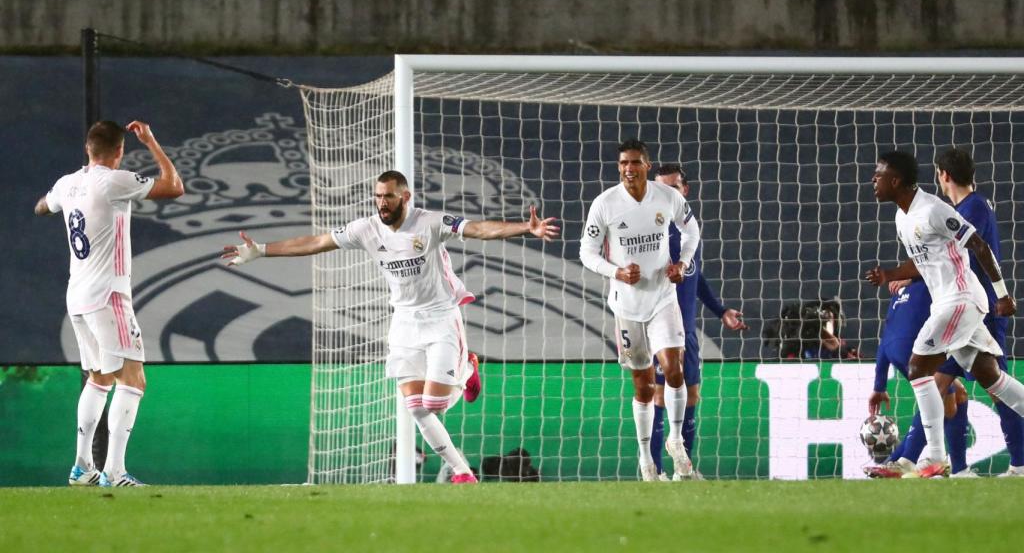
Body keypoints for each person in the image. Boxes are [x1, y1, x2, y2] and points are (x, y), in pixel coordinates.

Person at [221, 170, 558, 484]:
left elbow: (479, 230)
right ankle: (461, 472)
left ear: (405, 197)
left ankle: (468, 368)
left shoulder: (430, 223)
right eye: (378, 196)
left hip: (441, 318)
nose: (382, 202)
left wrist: (525, 228)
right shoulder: (366, 229)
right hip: (404, 323)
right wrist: (261, 250)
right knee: (416, 409)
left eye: (389, 197)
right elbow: (316, 242)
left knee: (434, 405)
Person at [35, 120, 185, 487]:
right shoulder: (113, 180)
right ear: (120, 151)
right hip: (108, 294)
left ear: (88, 148)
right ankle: (114, 471)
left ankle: (82, 467)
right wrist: (150, 140)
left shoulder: (68, 183)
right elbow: (174, 187)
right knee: (133, 380)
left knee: (99, 378)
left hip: (78, 295)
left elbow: (42, 207)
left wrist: (62, 202)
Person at [864, 150, 1024, 478]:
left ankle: (933, 457)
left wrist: (1003, 295)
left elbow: (979, 245)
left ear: (895, 181)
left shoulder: (934, 209)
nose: (873, 181)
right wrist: (890, 274)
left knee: (918, 366)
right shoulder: (902, 218)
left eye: (878, 175)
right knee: (992, 378)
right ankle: (931, 458)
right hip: (947, 303)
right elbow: (922, 262)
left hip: (961, 300)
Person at [579, 139, 701, 481]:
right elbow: (587, 252)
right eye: (622, 163)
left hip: (663, 297)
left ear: (647, 165)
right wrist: (615, 271)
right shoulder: (605, 204)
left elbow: (691, 230)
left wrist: (683, 261)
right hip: (627, 306)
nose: (628, 168)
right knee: (644, 387)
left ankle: (676, 442)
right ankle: (646, 459)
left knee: (673, 368)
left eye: (634, 162)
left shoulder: (668, 198)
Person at [648, 164, 748, 479]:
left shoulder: (690, 231)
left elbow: (696, 276)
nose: (665, 196)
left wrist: (720, 311)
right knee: (660, 397)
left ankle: (683, 469)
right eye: (659, 189)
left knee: (691, 396)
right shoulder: (652, 233)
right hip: (661, 331)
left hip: (688, 331)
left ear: (684, 191)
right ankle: (655, 471)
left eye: (672, 189)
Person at [932, 148, 1024, 477]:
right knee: (943, 382)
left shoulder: (973, 208)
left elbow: (961, 257)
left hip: (980, 314)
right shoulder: (969, 207)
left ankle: (924, 460)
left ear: (943, 174)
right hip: (968, 313)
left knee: (991, 387)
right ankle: (954, 467)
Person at [864, 277, 972, 478]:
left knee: (958, 394)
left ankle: (959, 469)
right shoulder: (936, 279)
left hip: (892, 349)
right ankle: (902, 461)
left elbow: (885, 337)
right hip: (914, 347)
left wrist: (879, 386)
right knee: (943, 400)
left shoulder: (901, 290)